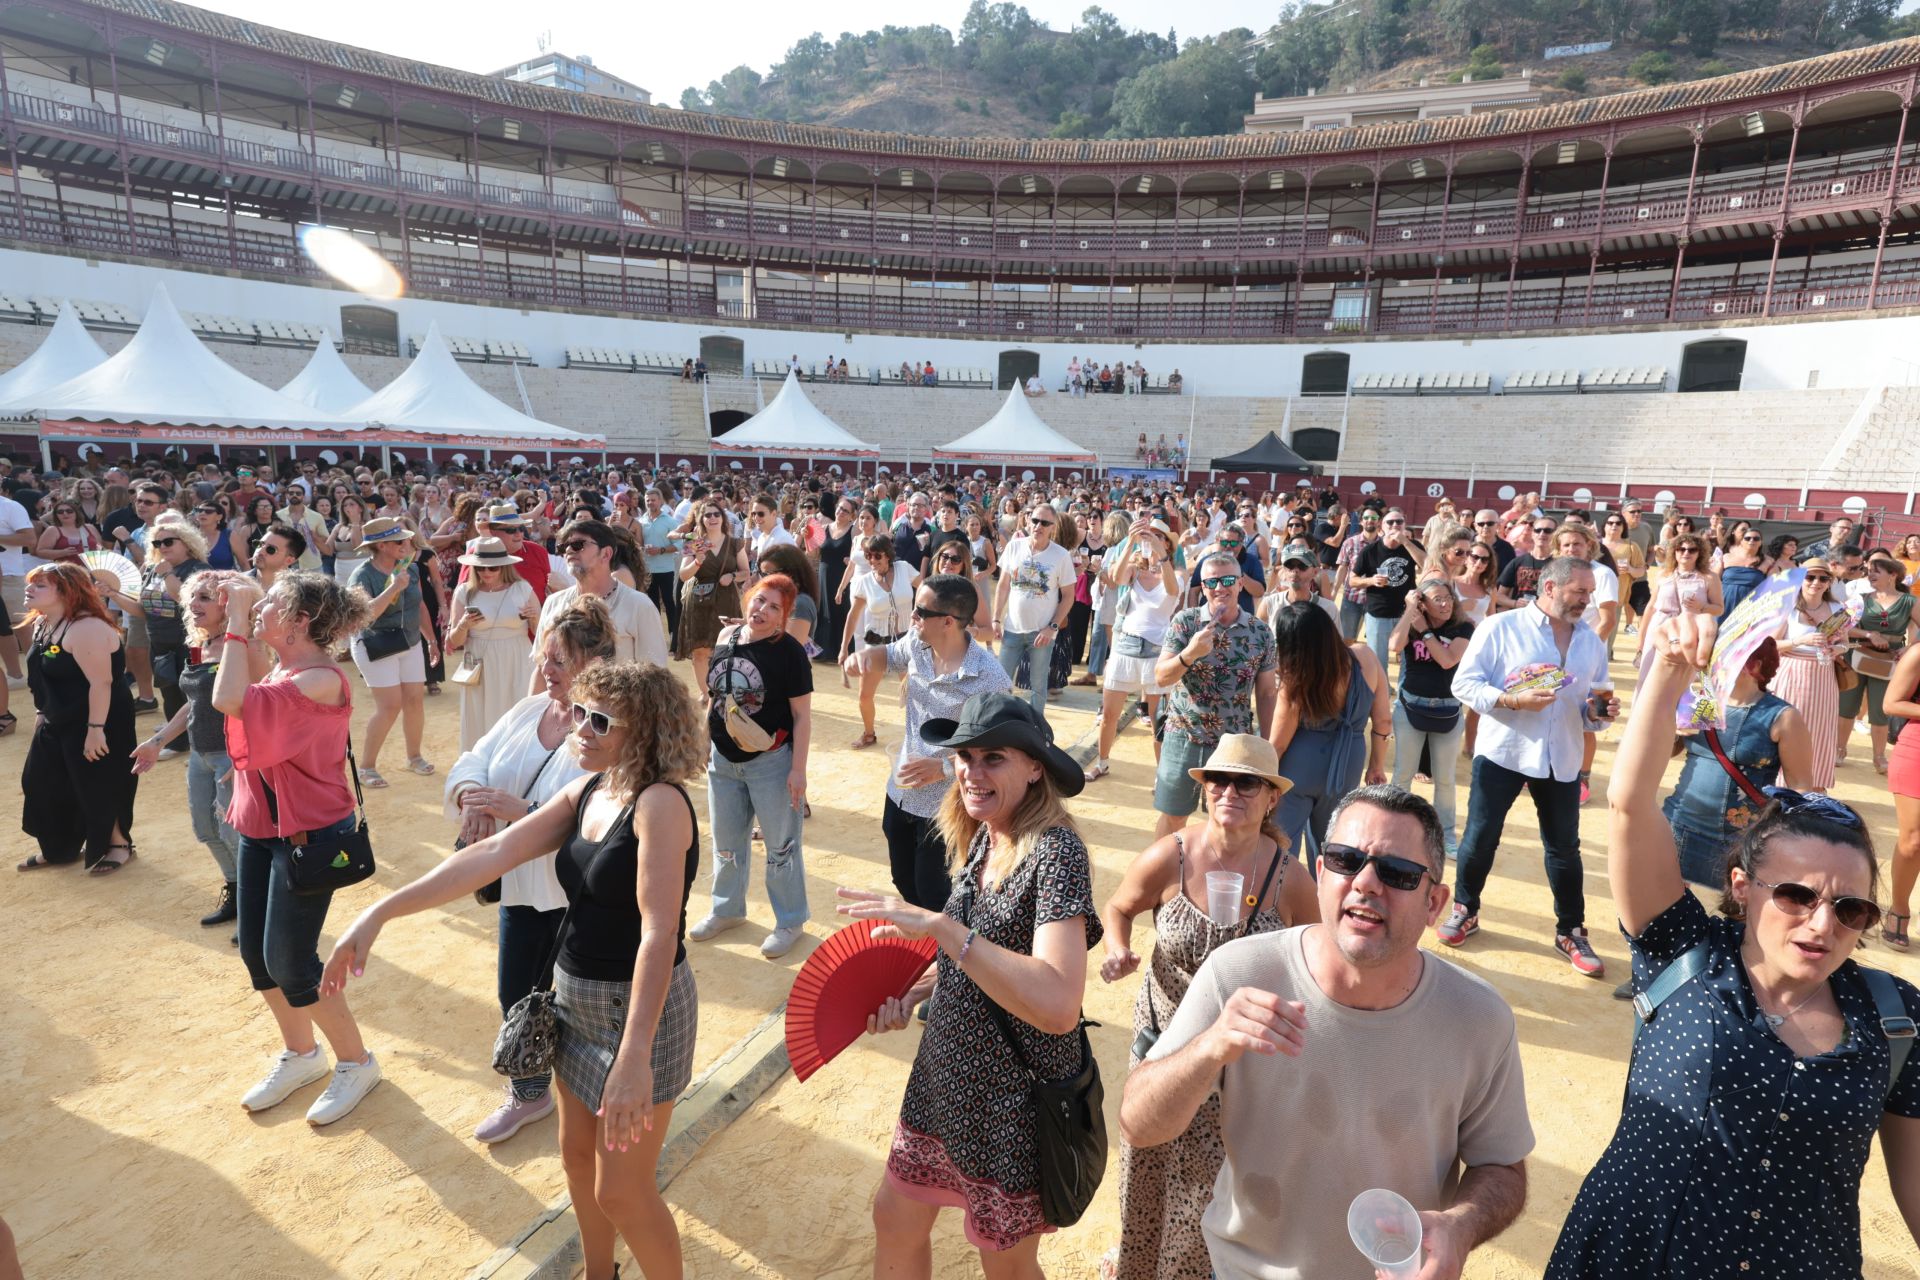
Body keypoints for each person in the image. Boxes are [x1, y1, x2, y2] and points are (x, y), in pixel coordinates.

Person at [1548, 620, 1920, 1277]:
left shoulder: (1895, 1019)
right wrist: (1666, 672)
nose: (1821, 924)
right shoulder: (1682, 948)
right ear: (1743, 889)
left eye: (1850, 908)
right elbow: (1630, 805)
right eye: (1797, 896)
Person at [325, 660, 704, 1279]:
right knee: (577, 1158)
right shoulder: (591, 787)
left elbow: (659, 934)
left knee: (623, 1191)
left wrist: (634, 1055)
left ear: (647, 731)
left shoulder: (659, 804)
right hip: (573, 999)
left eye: (600, 720)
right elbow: (495, 851)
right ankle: (599, 1273)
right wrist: (381, 912)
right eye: (579, 712)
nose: (580, 728)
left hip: (639, 1015)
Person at [1120, 784, 1533, 1280]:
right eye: (1344, 859)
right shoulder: (1239, 972)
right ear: (1319, 874)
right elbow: (1138, 1123)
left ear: (1435, 902)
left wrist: (1461, 1227)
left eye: (1398, 873)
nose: (1365, 883)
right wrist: (1209, 1047)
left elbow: (1503, 1169)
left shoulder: (1478, 1018)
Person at [841, 691, 1099, 1269]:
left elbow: (1058, 1003)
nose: (971, 773)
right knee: (894, 1215)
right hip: (946, 1075)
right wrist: (912, 993)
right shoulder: (988, 833)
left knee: (1004, 1263)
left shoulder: (1056, 851)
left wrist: (941, 928)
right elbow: (978, 957)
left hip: (1012, 1097)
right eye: (964, 756)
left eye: (993, 758)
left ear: (1036, 768)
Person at [1098, 735, 1316, 1280]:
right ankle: (1135, 1263)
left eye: (1247, 782)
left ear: (1270, 799)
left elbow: (1315, 953)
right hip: (1164, 1038)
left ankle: (1186, 1270)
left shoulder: (1289, 876)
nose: (1229, 791)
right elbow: (1119, 906)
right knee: (1145, 1159)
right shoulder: (1172, 853)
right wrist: (1116, 946)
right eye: (1218, 780)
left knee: (1208, 1175)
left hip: (1239, 1055)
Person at [442, 597, 617, 1141]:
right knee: (516, 994)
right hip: (518, 887)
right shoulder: (527, 710)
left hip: (573, 900)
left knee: (582, 1010)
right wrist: (473, 797)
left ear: (593, 664)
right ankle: (529, 1093)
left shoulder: (606, 731)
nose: (546, 670)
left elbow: (605, 812)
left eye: (560, 661)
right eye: (544, 657)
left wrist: (522, 815)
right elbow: (474, 756)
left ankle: (600, 1099)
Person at [210, 571, 381, 1125]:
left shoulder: (320, 679)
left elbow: (230, 699)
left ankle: (356, 1062)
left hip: (311, 834)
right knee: (257, 957)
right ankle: (303, 1055)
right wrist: (236, 607)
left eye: (272, 604)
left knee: (291, 959)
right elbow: (242, 685)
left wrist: (237, 620)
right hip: (262, 827)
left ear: (301, 621)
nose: (261, 606)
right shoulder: (285, 666)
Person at [1439, 557, 1614, 978]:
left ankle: (1570, 929)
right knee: (1481, 836)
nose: (1587, 600)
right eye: (1579, 592)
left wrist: (1600, 711)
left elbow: (1592, 707)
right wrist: (1511, 700)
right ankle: (1466, 909)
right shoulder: (1501, 628)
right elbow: (1463, 684)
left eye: (1589, 593)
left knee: (1564, 848)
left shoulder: (1590, 640)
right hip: (1505, 750)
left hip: (1562, 756)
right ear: (1550, 588)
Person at [844, 574, 1013, 911]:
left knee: (935, 892)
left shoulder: (989, 678)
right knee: (903, 878)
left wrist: (945, 767)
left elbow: (1003, 750)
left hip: (947, 805)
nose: (913, 616)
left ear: (948, 622)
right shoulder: (918, 644)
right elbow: (889, 654)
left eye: (920, 611)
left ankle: (946, 958)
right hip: (902, 791)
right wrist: (864, 657)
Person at [688, 574, 814, 959]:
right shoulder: (726, 640)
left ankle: (790, 921)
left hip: (771, 764)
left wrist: (798, 770)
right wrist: (705, 742)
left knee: (781, 846)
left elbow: (802, 716)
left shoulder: (789, 652)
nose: (763, 610)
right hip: (723, 762)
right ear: (747, 600)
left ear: (783, 617)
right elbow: (715, 697)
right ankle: (727, 909)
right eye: (759, 600)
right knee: (725, 843)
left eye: (774, 607)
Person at [130, 569, 253, 928]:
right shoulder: (198, 642)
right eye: (192, 597)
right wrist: (157, 741)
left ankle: (256, 905)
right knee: (206, 829)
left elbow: (263, 705)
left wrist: (249, 758)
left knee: (237, 834)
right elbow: (195, 702)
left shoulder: (245, 645)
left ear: (227, 604)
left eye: (204, 597)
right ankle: (237, 890)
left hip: (232, 755)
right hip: (200, 755)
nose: (193, 604)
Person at [15, 562, 139, 873]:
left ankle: (118, 844)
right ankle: (59, 848)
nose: (29, 589)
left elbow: (102, 683)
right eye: (31, 583)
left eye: (40, 585)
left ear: (67, 591)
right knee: (42, 782)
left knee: (97, 783)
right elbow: (43, 675)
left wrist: (95, 730)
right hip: (60, 718)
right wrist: (43, 711)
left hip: (100, 717)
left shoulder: (86, 628)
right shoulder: (44, 622)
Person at [1151, 551, 1279, 839]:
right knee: (1173, 817)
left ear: (1241, 583)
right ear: (1203, 586)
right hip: (1184, 736)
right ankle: (1163, 877)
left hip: (1234, 744)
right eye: (1212, 582)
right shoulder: (1186, 623)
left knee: (1228, 821)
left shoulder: (1260, 633)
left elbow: (1268, 693)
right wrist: (1190, 654)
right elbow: (1162, 677)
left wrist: (1269, 744)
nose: (1220, 587)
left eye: (1228, 580)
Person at [104, 514, 210, 758]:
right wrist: (114, 594)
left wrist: (167, 574)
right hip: (160, 640)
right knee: (169, 689)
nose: (162, 547)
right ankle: (178, 741)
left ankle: (203, 740)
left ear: (186, 542)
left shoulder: (198, 568)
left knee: (195, 690)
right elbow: (143, 610)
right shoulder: (153, 569)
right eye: (157, 543)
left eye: (168, 542)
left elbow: (184, 598)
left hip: (192, 641)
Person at [1087, 520, 1181, 783]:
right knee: (1109, 715)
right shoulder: (1134, 571)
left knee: (1158, 720)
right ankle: (1102, 763)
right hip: (1125, 648)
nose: (1150, 539)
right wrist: (1129, 542)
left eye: (1158, 536)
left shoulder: (1175, 574)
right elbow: (1116, 580)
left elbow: (1173, 592)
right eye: (1148, 534)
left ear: (1167, 544)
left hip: (1157, 653)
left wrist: (1158, 554)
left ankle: (1161, 776)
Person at [348, 517, 438, 786]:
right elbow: (362, 618)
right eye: (400, 541)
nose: (407, 543)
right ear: (383, 546)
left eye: (407, 539)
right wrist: (393, 588)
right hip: (375, 644)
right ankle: (366, 767)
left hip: (409, 641)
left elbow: (419, 605)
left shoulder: (409, 568)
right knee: (389, 706)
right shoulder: (362, 576)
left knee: (414, 700)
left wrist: (431, 640)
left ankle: (414, 757)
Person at [1390, 579, 1475, 850]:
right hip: (1410, 707)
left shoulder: (1462, 627)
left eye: (1448, 597)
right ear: (1422, 603)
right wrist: (1408, 611)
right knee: (1403, 774)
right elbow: (1394, 645)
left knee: (1445, 778)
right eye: (1437, 599)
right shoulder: (1412, 624)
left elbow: (1448, 660)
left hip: (1447, 710)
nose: (1445, 603)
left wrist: (1425, 631)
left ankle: (1445, 837)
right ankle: (1393, 832)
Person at [536, 519, 668, 676]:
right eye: (564, 547)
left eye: (578, 544)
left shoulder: (639, 605)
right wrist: (532, 701)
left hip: (618, 699)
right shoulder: (553, 603)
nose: (569, 551)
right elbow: (540, 667)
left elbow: (654, 674)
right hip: (563, 700)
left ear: (606, 554)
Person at [445, 537, 539, 751]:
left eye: (493, 568)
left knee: (516, 714)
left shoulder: (522, 588)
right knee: (479, 719)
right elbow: (454, 641)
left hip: (517, 660)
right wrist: (463, 625)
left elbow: (541, 632)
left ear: (504, 566)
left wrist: (533, 617)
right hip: (479, 662)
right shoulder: (464, 592)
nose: (486, 572)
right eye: (480, 568)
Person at [1769, 559, 1847, 791]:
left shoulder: (1837, 609)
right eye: (1810, 577)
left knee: (1820, 731)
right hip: (1791, 672)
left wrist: (1837, 649)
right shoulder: (1787, 606)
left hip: (1823, 675)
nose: (1816, 583)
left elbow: (1845, 643)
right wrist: (1799, 640)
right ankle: (1779, 785)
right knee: (1786, 728)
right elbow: (1769, 643)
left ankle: (1813, 785)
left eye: (1823, 578)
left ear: (1829, 582)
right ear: (1800, 579)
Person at [994, 503, 1076, 720]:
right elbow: (1003, 585)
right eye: (1035, 520)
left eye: (1045, 523)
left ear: (1053, 527)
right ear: (1028, 520)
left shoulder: (1061, 556)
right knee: (1000, 683)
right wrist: (995, 619)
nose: (1038, 526)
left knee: (1038, 687)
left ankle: (1035, 728)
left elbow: (1069, 596)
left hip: (1042, 633)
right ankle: (1000, 723)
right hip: (1012, 629)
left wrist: (1053, 627)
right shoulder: (1014, 546)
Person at [1837, 554, 1915, 774]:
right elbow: (1842, 627)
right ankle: (1839, 749)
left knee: (1880, 710)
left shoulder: (1910, 601)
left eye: (1876, 571)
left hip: (1889, 661)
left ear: (1893, 575)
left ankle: (1879, 757)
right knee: (1847, 706)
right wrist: (1870, 634)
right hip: (1856, 656)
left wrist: (1909, 649)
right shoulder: (1860, 598)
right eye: (1869, 570)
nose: (1870, 574)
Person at [842, 534, 920, 749]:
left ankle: (917, 735)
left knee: (914, 693)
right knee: (865, 696)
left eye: (877, 555)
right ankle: (869, 734)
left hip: (906, 640)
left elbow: (924, 588)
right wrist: (843, 648)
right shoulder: (864, 582)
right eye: (868, 556)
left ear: (888, 555)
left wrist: (919, 614)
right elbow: (853, 615)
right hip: (876, 644)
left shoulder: (904, 568)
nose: (873, 561)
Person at [674, 499, 750, 698]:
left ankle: (725, 691)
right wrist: (698, 562)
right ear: (701, 519)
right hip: (699, 600)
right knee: (700, 650)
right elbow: (683, 575)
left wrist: (732, 576)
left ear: (723, 517)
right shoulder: (694, 542)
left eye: (716, 514)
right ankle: (706, 694)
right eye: (707, 515)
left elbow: (746, 572)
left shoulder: (735, 542)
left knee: (727, 648)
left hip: (726, 600)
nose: (712, 518)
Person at [1718, 522, 1769, 618]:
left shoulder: (1768, 561)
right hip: (1724, 602)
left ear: (1761, 542)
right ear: (1742, 541)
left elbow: (1774, 586)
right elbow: (1714, 579)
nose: (1751, 540)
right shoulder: (1726, 557)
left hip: (1751, 606)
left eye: (1756, 538)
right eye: (1747, 538)